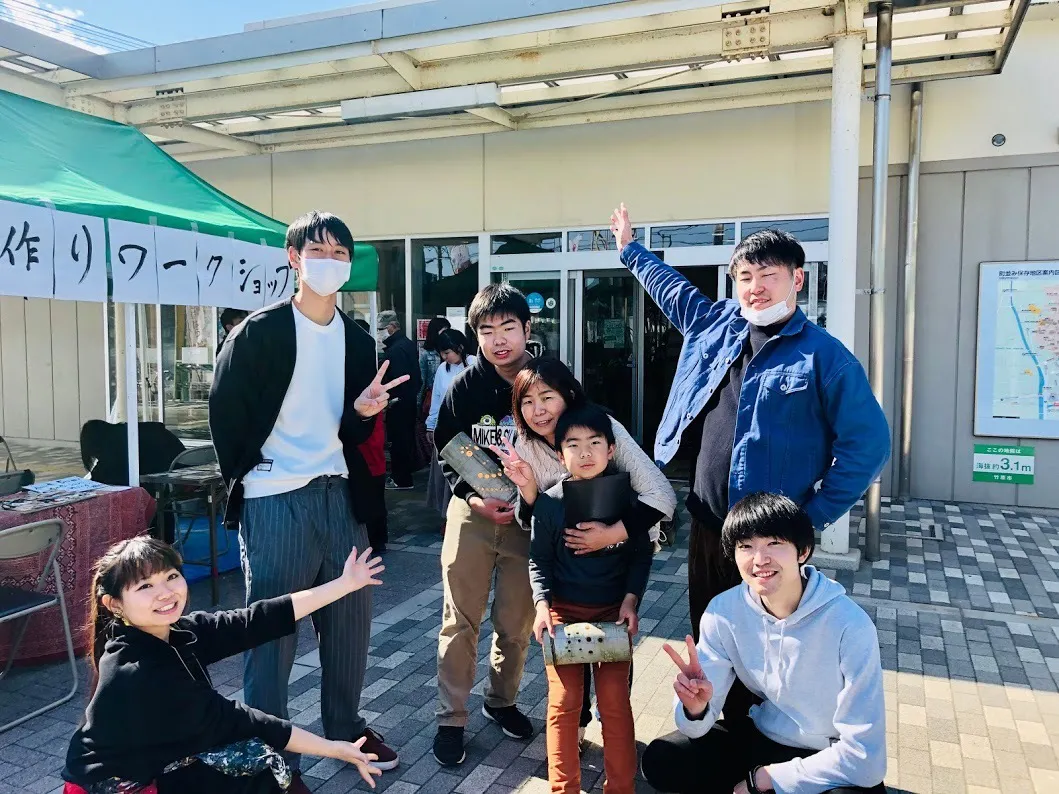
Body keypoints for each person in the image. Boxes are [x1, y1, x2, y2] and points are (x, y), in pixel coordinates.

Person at [610, 203, 890, 725]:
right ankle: (713, 721)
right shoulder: (715, 324)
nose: (755, 287)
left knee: (767, 645)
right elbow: (671, 289)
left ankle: (765, 735)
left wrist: (810, 518)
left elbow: (868, 445)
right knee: (711, 629)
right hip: (708, 522)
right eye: (744, 277)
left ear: (797, 280)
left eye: (768, 275)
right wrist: (629, 249)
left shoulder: (824, 357)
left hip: (769, 539)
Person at [209, 210, 407, 790]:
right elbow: (226, 414)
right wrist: (252, 475)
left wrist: (362, 413)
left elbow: (348, 427)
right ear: (294, 258)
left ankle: (345, 727)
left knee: (350, 622)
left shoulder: (358, 340)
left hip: (339, 494)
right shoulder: (258, 332)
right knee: (272, 631)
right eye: (318, 250)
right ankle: (270, 754)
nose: (330, 261)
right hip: (275, 498)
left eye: (340, 253)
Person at [63, 536, 385, 794]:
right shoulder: (139, 671)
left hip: (159, 757)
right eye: (145, 586)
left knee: (251, 762)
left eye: (171, 576)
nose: (165, 593)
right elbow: (241, 720)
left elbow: (254, 621)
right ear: (114, 604)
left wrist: (345, 584)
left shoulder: (175, 632)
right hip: (121, 784)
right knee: (256, 762)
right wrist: (334, 748)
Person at [641, 492, 887, 794]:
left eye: (774, 543)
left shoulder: (850, 624)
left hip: (831, 753)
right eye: (746, 546)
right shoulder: (724, 612)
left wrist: (764, 779)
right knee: (664, 758)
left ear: (803, 551)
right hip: (764, 736)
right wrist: (695, 708)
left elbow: (866, 758)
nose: (759, 560)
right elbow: (696, 724)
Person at [506, 357, 676, 744]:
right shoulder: (526, 444)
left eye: (547, 397)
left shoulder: (602, 428)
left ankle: (613, 720)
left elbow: (662, 496)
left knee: (614, 646)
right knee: (571, 651)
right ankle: (579, 722)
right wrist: (529, 491)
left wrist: (613, 533)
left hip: (616, 562)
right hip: (567, 570)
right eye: (527, 402)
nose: (538, 410)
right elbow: (528, 520)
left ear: (569, 394)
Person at [515, 404, 650, 794]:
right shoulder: (549, 503)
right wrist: (542, 606)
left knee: (614, 704)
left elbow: (641, 555)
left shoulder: (628, 502)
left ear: (611, 450)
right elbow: (539, 560)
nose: (585, 453)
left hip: (612, 614)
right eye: (573, 445)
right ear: (560, 455)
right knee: (564, 704)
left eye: (595, 443)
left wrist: (630, 601)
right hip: (564, 615)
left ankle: (621, 788)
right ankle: (564, 789)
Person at [430, 282, 536, 766]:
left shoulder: (546, 381)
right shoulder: (464, 386)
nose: (498, 340)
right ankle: (451, 718)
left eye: (508, 327)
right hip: (471, 514)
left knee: (516, 621)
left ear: (527, 328)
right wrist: (473, 498)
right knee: (460, 620)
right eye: (487, 331)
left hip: (526, 519)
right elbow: (446, 447)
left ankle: (502, 701)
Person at [425, 328, 476, 517]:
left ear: (459, 347)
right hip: (445, 429)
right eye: (442, 353)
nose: (444, 357)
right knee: (445, 476)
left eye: (447, 352)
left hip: (468, 431)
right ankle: (446, 515)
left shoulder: (475, 364)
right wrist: (431, 425)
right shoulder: (442, 369)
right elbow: (437, 399)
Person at [353, 317, 390, 553]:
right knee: (374, 490)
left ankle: (375, 539)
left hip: (366, 437)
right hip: (369, 437)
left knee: (370, 490)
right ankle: (377, 538)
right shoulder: (368, 362)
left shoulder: (361, 367)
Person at [378, 309, 422, 491]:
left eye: (381, 329)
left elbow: (398, 380)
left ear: (392, 327)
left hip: (398, 402)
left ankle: (401, 479)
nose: (379, 333)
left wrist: (390, 400)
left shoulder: (395, 350)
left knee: (399, 442)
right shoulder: (406, 344)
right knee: (404, 441)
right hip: (407, 401)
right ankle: (403, 477)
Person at [419, 316, 452, 413]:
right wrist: (418, 403)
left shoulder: (453, 349)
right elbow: (422, 380)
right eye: (444, 331)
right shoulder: (426, 353)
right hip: (433, 395)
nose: (446, 334)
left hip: (451, 393)